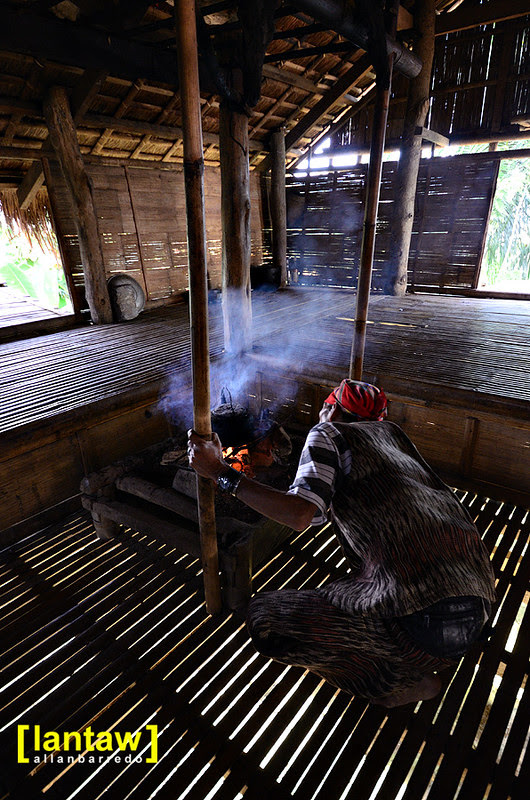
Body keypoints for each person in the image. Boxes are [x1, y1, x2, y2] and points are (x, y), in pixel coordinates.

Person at [188, 379, 496, 707]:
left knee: (264, 619)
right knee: (375, 585)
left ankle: (399, 683)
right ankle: (425, 655)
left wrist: (220, 471)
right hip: (477, 608)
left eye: (326, 404)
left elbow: (301, 515)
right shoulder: (396, 439)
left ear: (331, 408)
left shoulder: (328, 433)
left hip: (421, 621)